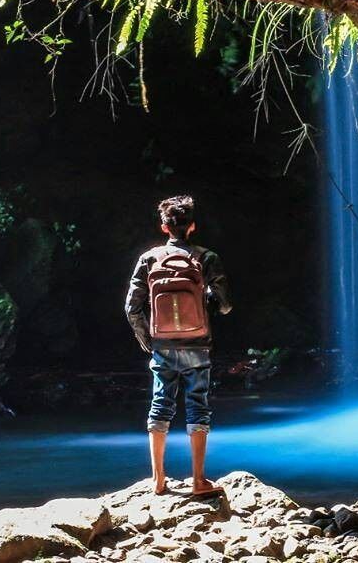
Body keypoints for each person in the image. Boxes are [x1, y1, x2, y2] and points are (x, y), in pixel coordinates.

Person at [125, 195, 232, 496]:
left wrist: (147, 340)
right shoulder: (206, 257)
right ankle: (199, 480)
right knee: (199, 406)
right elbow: (224, 306)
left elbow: (131, 307)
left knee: (160, 405)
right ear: (193, 226)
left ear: (164, 227)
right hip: (198, 346)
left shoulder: (149, 259)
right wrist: (208, 296)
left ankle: (158, 479)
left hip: (163, 344)